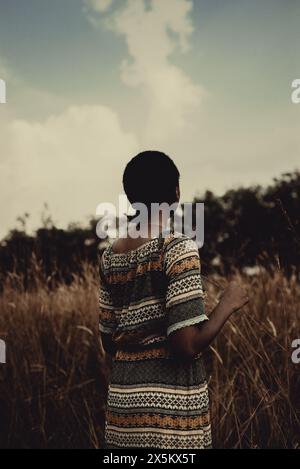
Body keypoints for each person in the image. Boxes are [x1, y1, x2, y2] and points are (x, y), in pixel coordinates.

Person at [99, 150, 249, 449]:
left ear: (131, 197)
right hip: (170, 412)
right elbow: (186, 344)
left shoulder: (109, 257)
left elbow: (108, 343)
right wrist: (228, 304)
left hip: (123, 408)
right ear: (176, 192)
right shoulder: (178, 249)